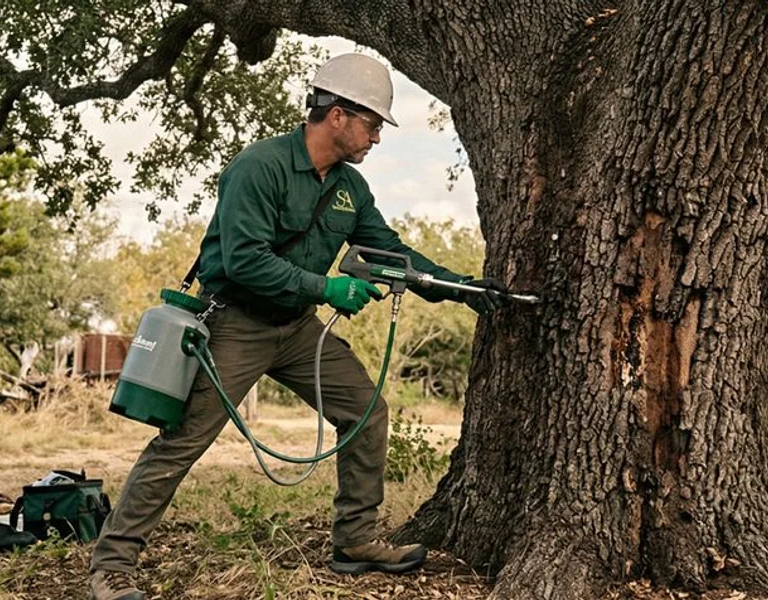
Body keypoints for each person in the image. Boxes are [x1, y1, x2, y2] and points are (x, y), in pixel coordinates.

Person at [87, 53, 508, 600]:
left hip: (297, 330)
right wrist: (326, 288)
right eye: (373, 124)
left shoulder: (351, 190)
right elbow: (243, 261)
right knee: (182, 441)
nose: (377, 138)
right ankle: (112, 566)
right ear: (337, 115)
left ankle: (355, 540)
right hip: (236, 323)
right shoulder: (258, 168)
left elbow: (392, 253)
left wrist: (462, 289)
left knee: (366, 410)